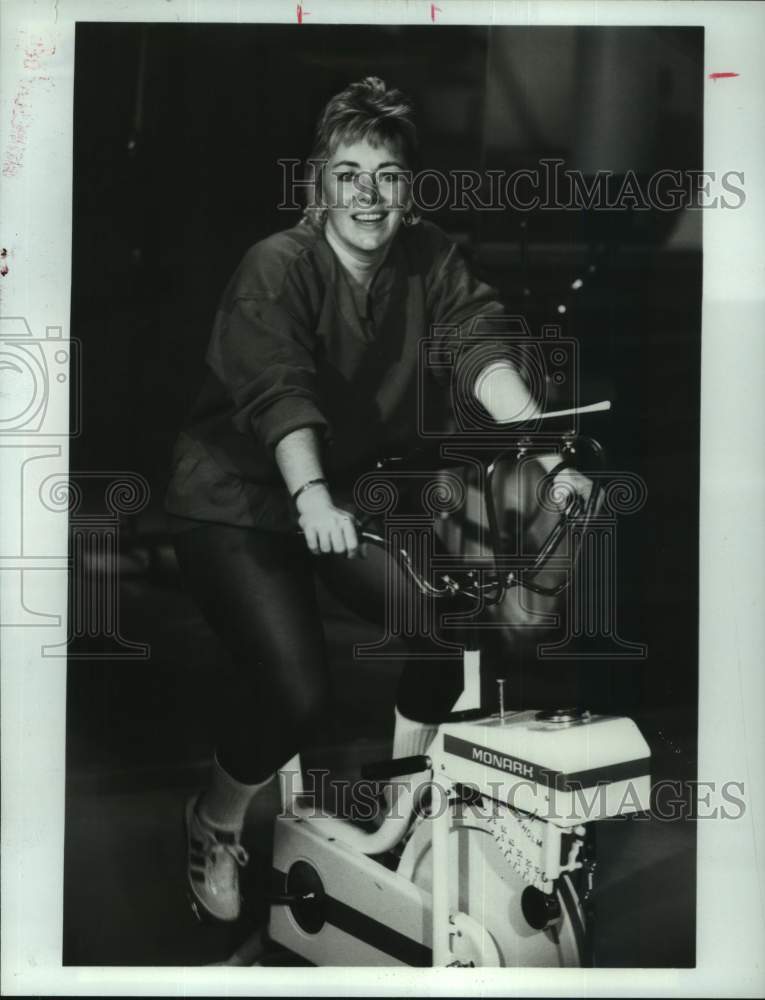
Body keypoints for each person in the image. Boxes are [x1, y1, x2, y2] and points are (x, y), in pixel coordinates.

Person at [164, 76, 584, 924]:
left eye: (386, 176)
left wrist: (543, 450)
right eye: (348, 173)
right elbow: (279, 390)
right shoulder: (276, 265)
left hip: (339, 500)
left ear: (407, 189)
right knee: (296, 692)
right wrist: (313, 495)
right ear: (317, 181)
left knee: (442, 619)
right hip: (236, 502)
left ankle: (400, 817)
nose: (368, 195)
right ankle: (213, 820)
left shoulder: (427, 257)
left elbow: (480, 344)